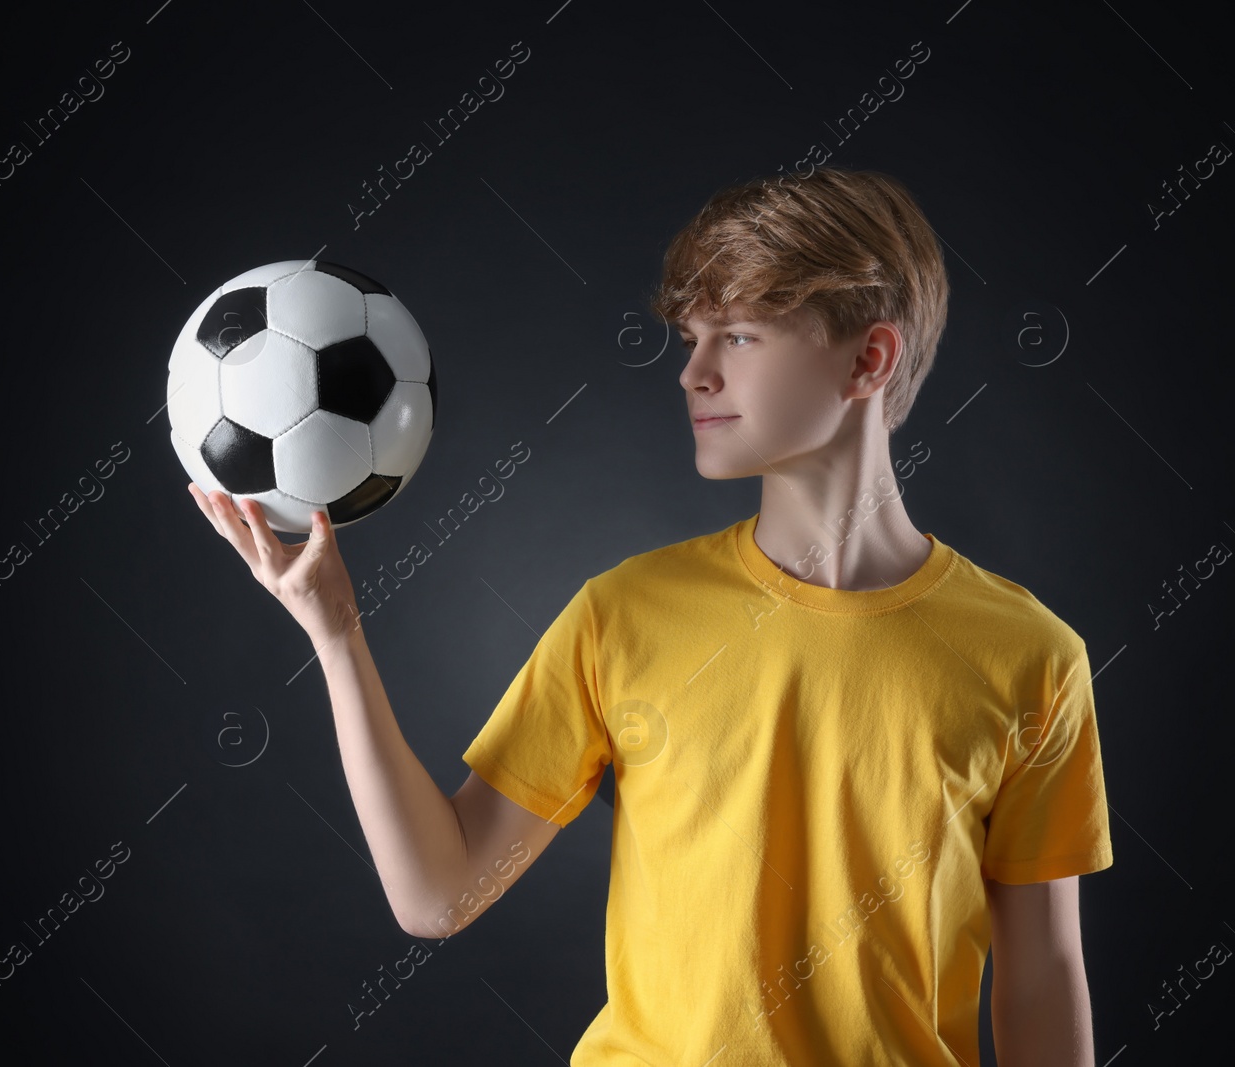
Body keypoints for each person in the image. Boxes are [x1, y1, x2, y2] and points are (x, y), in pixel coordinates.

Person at [187, 166, 1113, 1066]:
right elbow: (438, 893)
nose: (693, 373)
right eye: (689, 338)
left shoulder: (1030, 656)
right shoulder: (623, 615)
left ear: (869, 359)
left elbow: (1043, 972)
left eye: (740, 337)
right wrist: (335, 631)